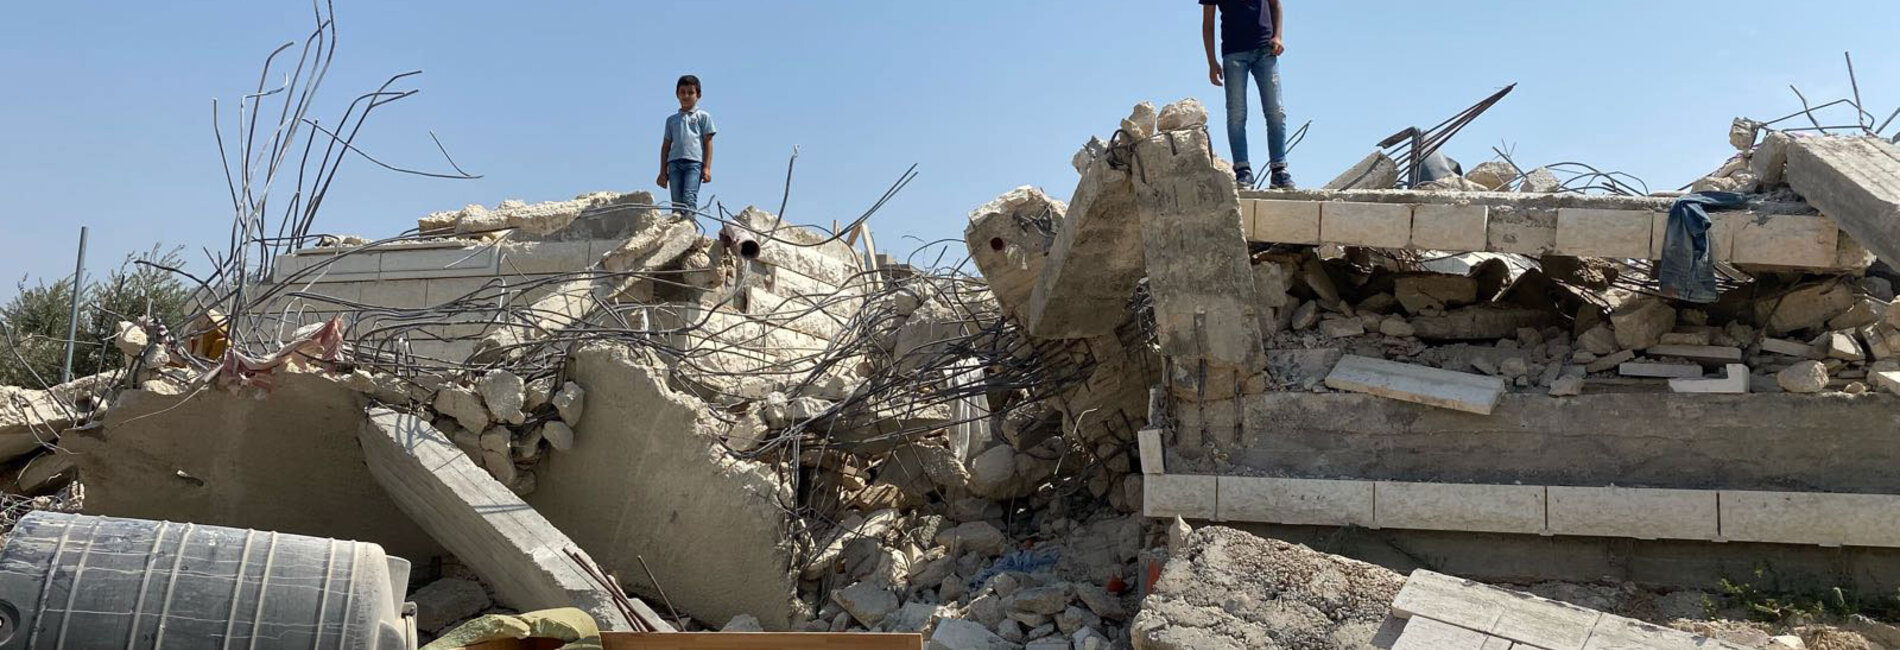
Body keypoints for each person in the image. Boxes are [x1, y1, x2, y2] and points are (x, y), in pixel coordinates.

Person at [1201, 0, 1293, 189]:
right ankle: (1242, 170)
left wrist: (1278, 36)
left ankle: (1279, 170)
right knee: (1236, 113)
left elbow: (1275, 4)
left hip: (1265, 49)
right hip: (1234, 53)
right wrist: (1212, 61)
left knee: (1276, 110)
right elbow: (1207, 23)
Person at [656, 74, 716, 215]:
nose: (686, 96)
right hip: (674, 163)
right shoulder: (671, 120)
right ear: (677, 94)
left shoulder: (703, 117)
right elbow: (666, 146)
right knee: (676, 201)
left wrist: (707, 167)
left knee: (689, 197)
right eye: (682, 92)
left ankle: (689, 226)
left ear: (698, 95)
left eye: (690, 92)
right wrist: (662, 172)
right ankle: (677, 229)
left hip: (694, 163)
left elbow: (708, 142)